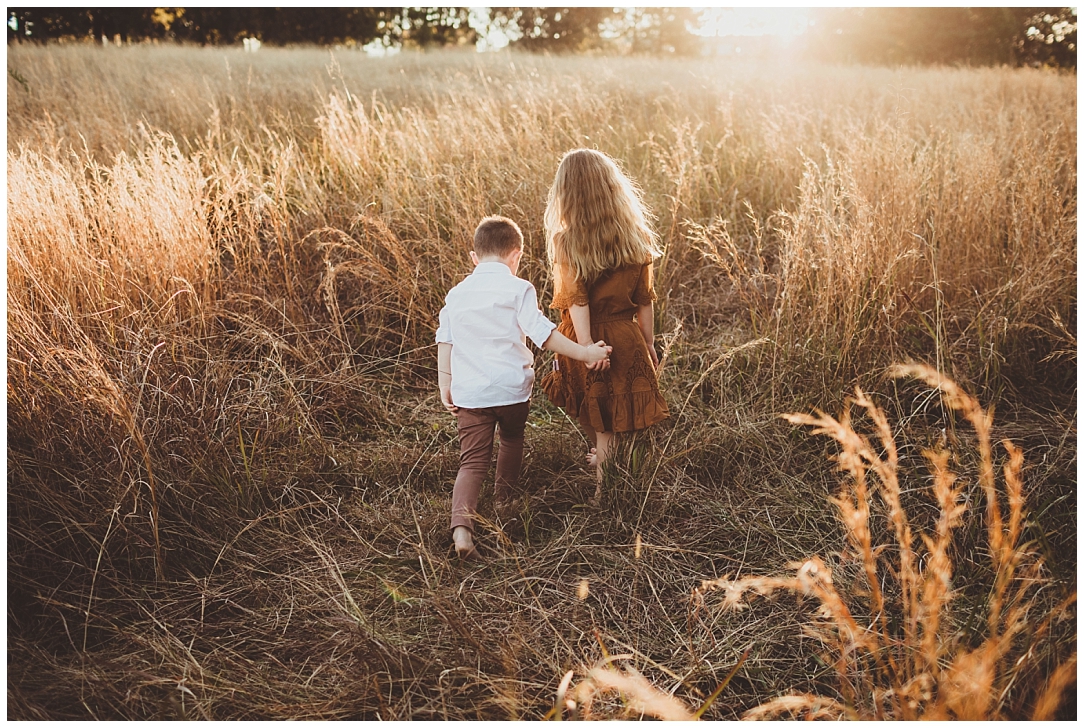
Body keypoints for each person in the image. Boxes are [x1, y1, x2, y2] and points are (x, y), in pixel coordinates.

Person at [436, 215, 612, 559]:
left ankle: (461, 530)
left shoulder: (456, 294)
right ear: (516, 255)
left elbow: (446, 340)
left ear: (474, 257)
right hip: (512, 391)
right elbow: (543, 334)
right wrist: (585, 352)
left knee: (472, 463)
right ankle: (504, 501)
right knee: (511, 440)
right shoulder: (519, 289)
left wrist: (446, 383)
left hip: (471, 394)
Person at [540, 149, 670, 503]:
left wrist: (585, 347)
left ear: (567, 193)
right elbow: (644, 298)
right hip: (625, 336)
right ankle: (606, 459)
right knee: (606, 416)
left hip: (587, 336)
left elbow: (577, 299)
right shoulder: (636, 235)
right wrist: (648, 342)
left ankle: (604, 495)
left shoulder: (566, 240)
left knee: (601, 421)